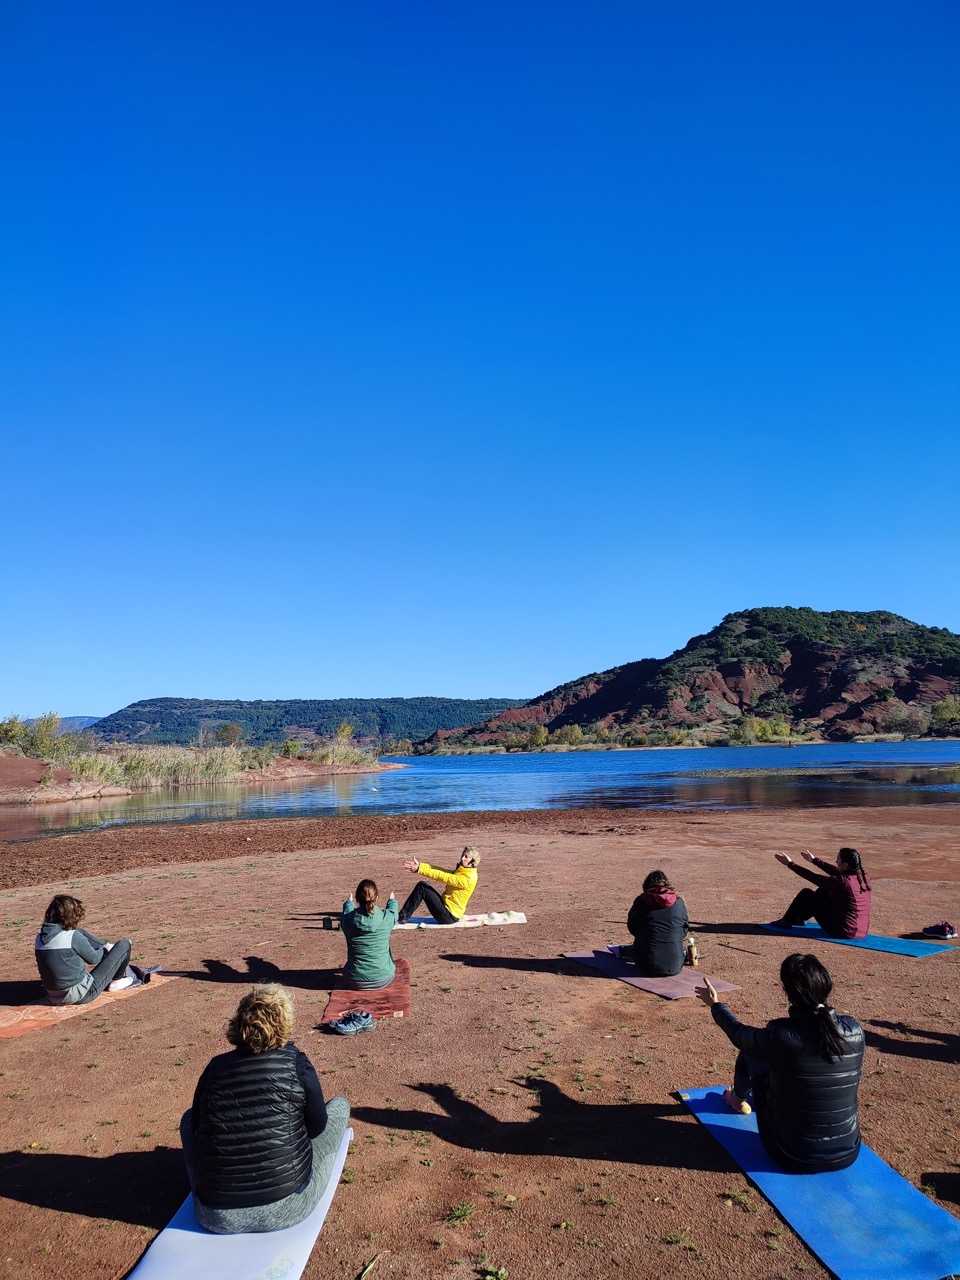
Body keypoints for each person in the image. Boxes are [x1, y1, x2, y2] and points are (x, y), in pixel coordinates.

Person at [180, 984, 350, 1233]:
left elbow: (195, 1128)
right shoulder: (296, 1064)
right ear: (285, 1024)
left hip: (215, 1216)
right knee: (340, 1106)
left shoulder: (215, 1068)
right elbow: (317, 1127)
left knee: (187, 1119)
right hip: (290, 1204)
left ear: (239, 1023)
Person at [696, 953, 864, 1173]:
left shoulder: (782, 1034)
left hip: (791, 1154)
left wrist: (716, 1005)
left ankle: (737, 1099)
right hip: (849, 1152)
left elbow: (740, 1035)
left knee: (752, 1052)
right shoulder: (855, 1031)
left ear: (787, 992)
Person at [34, 893, 154, 1004]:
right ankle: (116, 981)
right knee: (124, 944)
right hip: (80, 995)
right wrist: (109, 951)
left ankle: (106, 945)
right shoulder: (72, 937)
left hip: (52, 996)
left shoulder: (39, 938)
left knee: (80, 932)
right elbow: (94, 959)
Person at [771, 847, 871, 938]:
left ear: (846, 865)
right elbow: (836, 871)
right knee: (823, 890)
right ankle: (800, 918)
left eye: (838, 859)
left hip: (842, 931)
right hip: (861, 931)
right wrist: (814, 860)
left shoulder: (842, 882)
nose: (836, 861)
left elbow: (814, 877)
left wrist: (790, 864)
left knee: (807, 894)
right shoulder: (862, 878)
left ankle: (786, 921)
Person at [625, 869, 691, 977]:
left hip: (646, 965)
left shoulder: (641, 901)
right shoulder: (679, 903)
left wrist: (644, 934)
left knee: (639, 947)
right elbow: (684, 929)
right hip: (675, 965)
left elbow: (632, 925)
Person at [397, 846, 480, 924]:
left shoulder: (469, 878)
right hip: (446, 908)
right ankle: (402, 916)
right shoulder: (465, 871)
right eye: (463, 855)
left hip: (449, 916)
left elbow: (443, 877)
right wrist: (420, 866)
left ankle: (402, 917)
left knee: (421, 887)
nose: (462, 858)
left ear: (472, 861)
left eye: (466, 857)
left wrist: (419, 869)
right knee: (422, 886)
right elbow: (442, 871)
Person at [341, 879, 398, 989]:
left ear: (357, 899)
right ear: (376, 897)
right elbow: (393, 914)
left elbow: (346, 915)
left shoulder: (348, 921)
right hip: (383, 978)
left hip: (354, 980)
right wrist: (392, 901)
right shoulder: (386, 918)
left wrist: (349, 903)